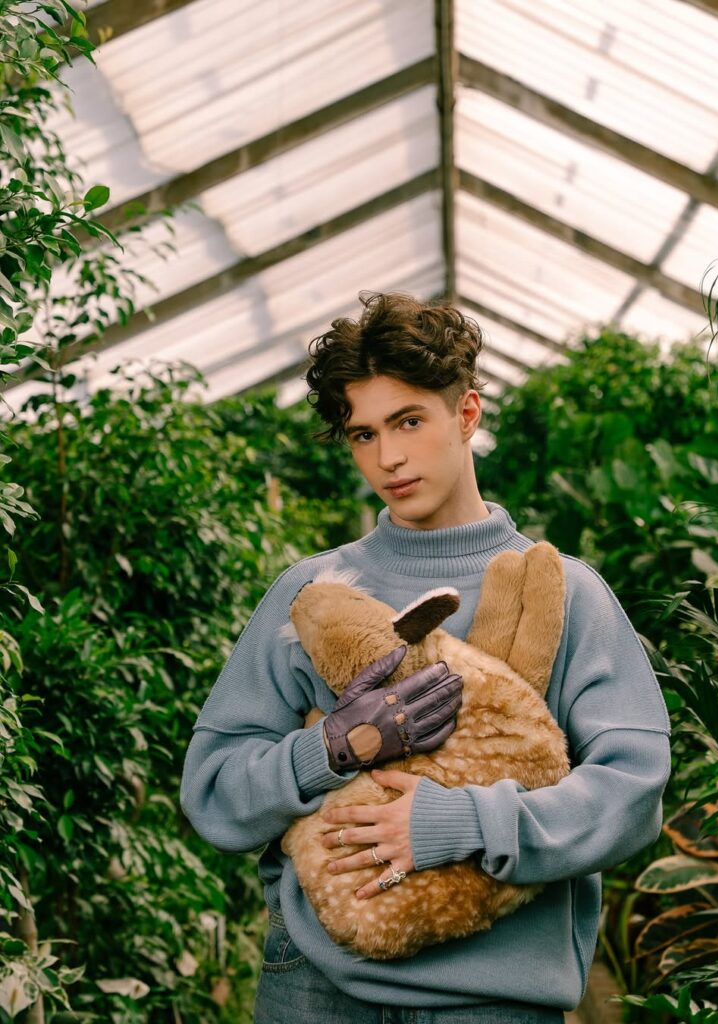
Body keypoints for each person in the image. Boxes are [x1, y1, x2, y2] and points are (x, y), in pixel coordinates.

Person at [180, 292, 671, 1023]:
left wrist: (463, 822)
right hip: (316, 990)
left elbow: (632, 793)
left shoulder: (568, 593)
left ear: (466, 414)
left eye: (408, 421)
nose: (388, 458)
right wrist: (331, 748)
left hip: (492, 1000)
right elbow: (213, 793)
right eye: (363, 433)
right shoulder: (312, 595)